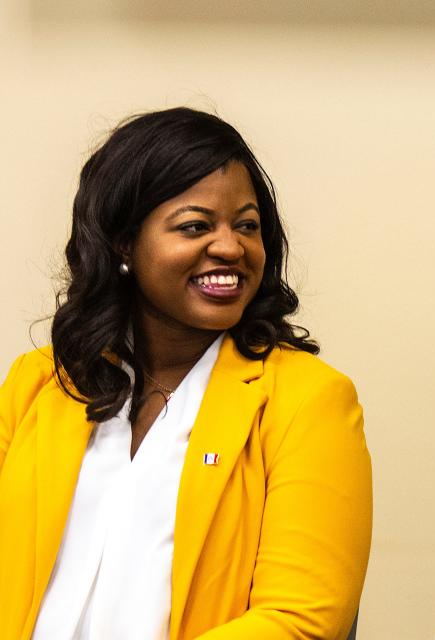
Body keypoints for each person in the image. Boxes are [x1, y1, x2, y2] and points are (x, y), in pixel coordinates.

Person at [0, 108, 372, 639]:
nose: (229, 247)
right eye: (195, 226)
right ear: (124, 243)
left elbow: (302, 621)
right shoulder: (39, 384)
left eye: (247, 225)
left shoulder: (308, 401)